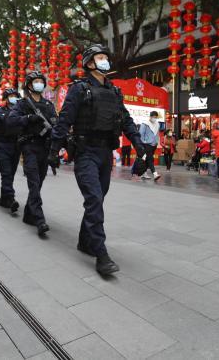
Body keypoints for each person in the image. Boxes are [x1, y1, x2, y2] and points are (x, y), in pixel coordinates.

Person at [49, 44, 145, 275]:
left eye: (106, 58)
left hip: (105, 155)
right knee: (93, 199)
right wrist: (53, 151)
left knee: (98, 199)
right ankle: (101, 255)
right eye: (101, 57)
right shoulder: (79, 90)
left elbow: (126, 121)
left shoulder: (114, 92)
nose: (105, 61)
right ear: (90, 63)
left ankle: (85, 241)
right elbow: (64, 121)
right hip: (86, 153)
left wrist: (141, 148)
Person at [8, 72, 56, 235]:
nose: (39, 84)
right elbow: (12, 121)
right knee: (34, 182)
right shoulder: (22, 104)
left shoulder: (49, 105)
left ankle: (29, 213)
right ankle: (39, 219)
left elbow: (55, 124)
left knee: (39, 182)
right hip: (29, 146)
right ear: (29, 85)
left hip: (45, 147)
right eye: (35, 81)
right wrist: (29, 118)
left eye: (41, 81)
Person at [0, 88, 22, 213]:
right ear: (6, 98)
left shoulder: (20, 112)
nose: (13, 98)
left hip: (16, 147)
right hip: (1, 147)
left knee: (10, 174)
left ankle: (4, 199)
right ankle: (11, 199)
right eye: (10, 96)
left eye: (15, 96)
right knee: (6, 173)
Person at [138, 111, 162, 181]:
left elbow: (157, 134)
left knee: (148, 159)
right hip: (146, 144)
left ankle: (143, 173)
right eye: (153, 117)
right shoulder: (145, 124)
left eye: (156, 117)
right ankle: (155, 174)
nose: (154, 118)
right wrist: (143, 142)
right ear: (150, 117)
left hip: (154, 144)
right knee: (150, 159)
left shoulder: (157, 124)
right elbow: (141, 134)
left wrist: (157, 142)